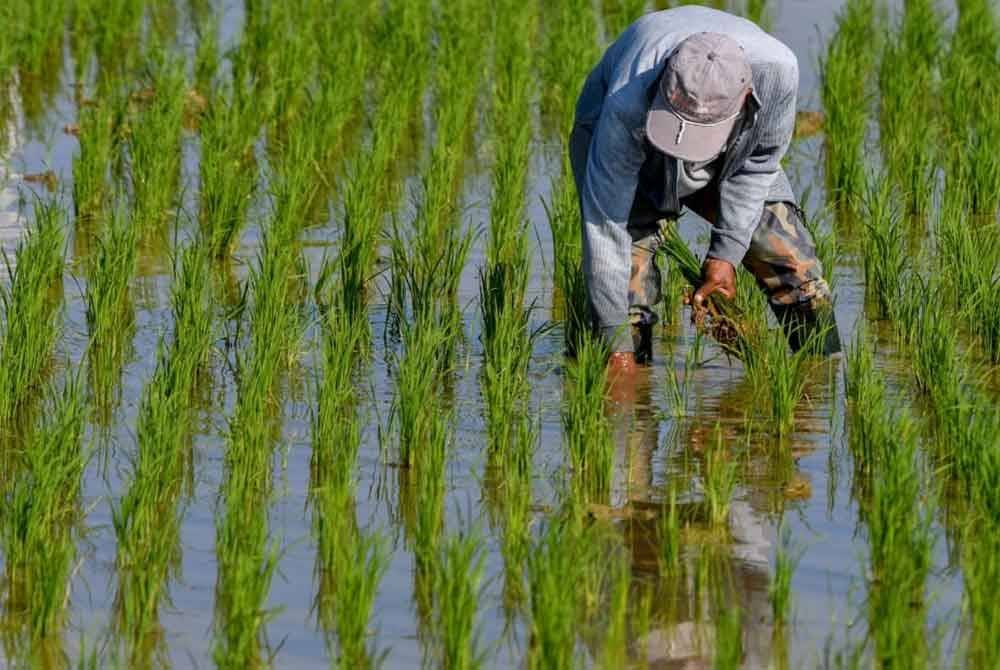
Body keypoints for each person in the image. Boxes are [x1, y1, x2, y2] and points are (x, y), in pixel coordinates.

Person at [570, 6, 841, 382]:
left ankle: (821, 389)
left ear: (747, 97)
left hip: (732, 152)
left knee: (792, 261)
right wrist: (617, 349)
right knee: (625, 297)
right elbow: (604, 225)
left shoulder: (778, 74)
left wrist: (725, 255)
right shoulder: (624, 103)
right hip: (637, 144)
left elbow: (758, 163)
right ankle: (629, 411)